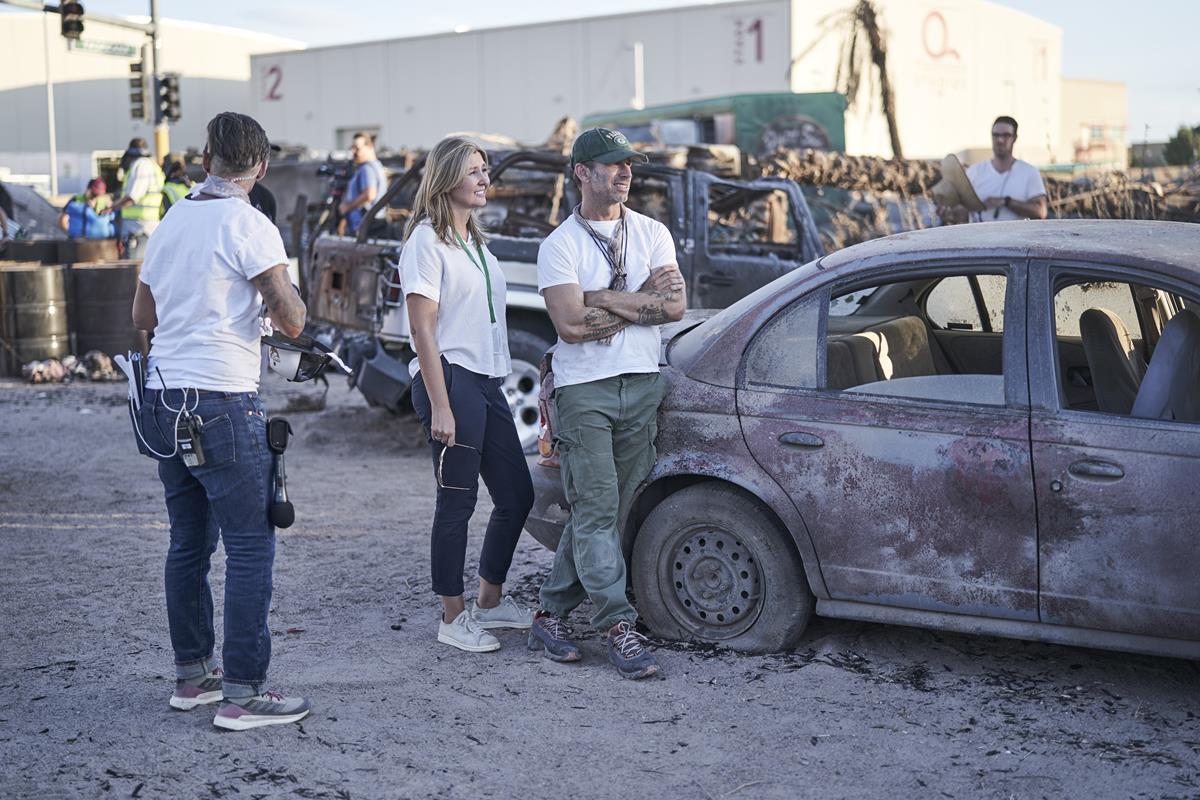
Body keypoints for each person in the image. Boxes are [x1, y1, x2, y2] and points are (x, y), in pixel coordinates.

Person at [131, 111, 311, 731]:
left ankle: (193, 678)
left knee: (188, 543)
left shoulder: (172, 219)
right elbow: (292, 321)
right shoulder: (250, 223)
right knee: (250, 546)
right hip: (222, 399)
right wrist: (277, 297)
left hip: (163, 397)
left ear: (206, 160)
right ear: (259, 166)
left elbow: (141, 312)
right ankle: (243, 694)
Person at [527, 128, 686, 680]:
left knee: (610, 512)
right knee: (596, 509)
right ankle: (618, 625)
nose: (624, 174)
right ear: (581, 173)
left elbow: (675, 308)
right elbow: (571, 326)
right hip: (585, 393)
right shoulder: (561, 245)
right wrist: (641, 297)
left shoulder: (652, 232)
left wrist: (605, 298)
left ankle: (549, 614)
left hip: (643, 385)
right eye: (611, 165)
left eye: (629, 166)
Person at [400, 136, 535, 652]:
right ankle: (452, 617)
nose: (485, 179)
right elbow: (424, 331)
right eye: (475, 170)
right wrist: (440, 404)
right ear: (447, 178)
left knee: (517, 495)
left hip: (485, 379)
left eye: (486, 170)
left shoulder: (475, 242)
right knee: (457, 500)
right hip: (450, 379)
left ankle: (491, 601)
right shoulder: (425, 243)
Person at [939, 116, 1048, 224]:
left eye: (1006, 135)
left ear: (1014, 138)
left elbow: (1041, 211)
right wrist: (948, 214)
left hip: (1015, 239)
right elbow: (962, 214)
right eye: (996, 135)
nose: (1000, 140)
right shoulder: (974, 171)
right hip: (980, 239)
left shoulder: (1029, 172)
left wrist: (1007, 202)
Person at [112, 137, 164, 258]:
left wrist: (113, 206)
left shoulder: (140, 165)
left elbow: (132, 197)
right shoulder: (153, 165)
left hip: (138, 230)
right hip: (147, 227)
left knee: (134, 271)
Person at [338, 132, 388, 236]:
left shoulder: (367, 168)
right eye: (352, 148)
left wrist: (347, 206)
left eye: (357, 148)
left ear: (369, 147)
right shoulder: (377, 166)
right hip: (371, 224)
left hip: (366, 227)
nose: (353, 152)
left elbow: (369, 195)